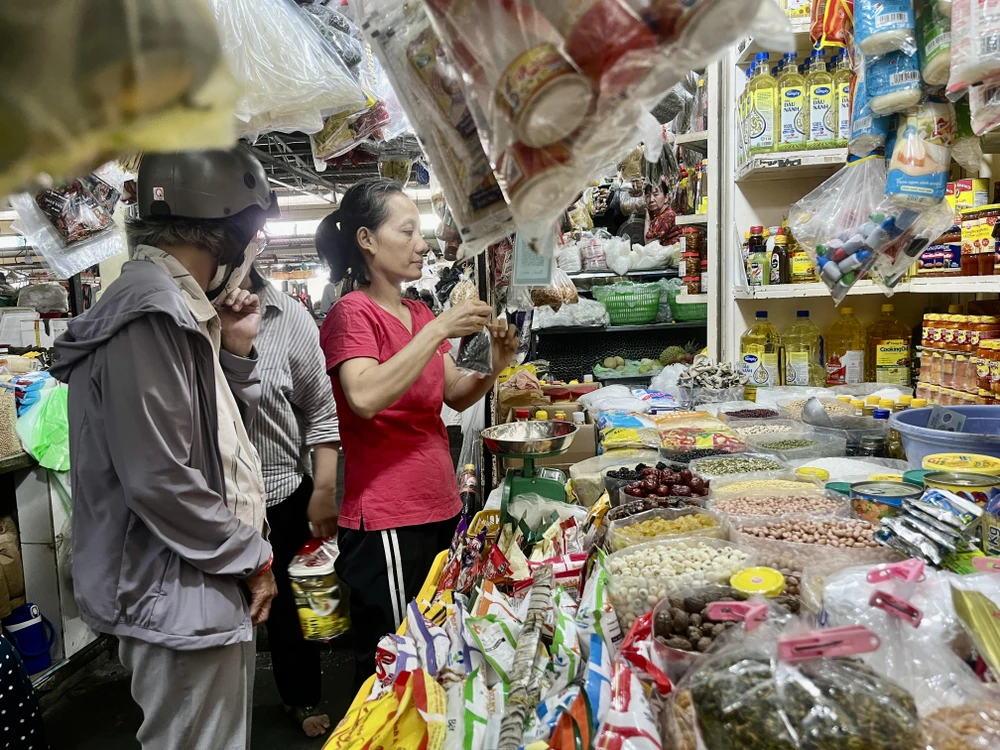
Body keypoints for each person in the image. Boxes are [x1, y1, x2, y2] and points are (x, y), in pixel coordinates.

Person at [51, 148, 280, 750]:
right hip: (174, 591)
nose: (251, 250)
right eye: (250, 234)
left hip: (192, 583)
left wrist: (232, 349)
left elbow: (204, 440)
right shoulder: (152, 313)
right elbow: (161, 477)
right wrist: (250, 556)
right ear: (226, 229)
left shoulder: (176, 308)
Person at [315, 178, 518, 688]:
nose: (422, 244)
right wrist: (437, 332)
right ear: (367, 240)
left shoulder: (420, 312)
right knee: (398, 659)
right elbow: (363, 397)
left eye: (420, 232)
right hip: (387, 518)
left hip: (441, 505)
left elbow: (452, 393)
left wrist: (495, 365)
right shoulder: (352, 314)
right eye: (407, 231)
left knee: (441, 649)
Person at [244, 265, 340, 738]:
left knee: (297, 611)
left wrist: (323, 489)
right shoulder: (187, 314)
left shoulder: (290, 318)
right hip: (217, 501)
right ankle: (222, 710)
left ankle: (301, 697)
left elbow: (321, 409)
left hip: (281, 491)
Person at [644, 178, 683, 246]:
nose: (651, 199)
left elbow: (648, 243)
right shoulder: (660, 215)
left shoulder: (667, 216)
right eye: (648, 196)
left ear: (666, 198)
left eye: (655, 194)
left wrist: (647, 220)